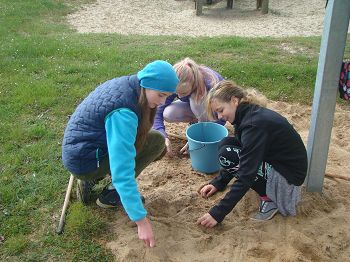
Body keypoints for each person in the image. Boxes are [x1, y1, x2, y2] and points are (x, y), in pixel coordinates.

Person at [61, 60, 179, 247]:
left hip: (86, 147)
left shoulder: (131, 85)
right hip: (83, 159)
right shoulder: (124, 112)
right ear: (147, 84)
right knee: (154, 143)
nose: (163, 102)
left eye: (167, 97)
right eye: (161, 95)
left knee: (155, 140)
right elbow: (122, 172)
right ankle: (109, 194)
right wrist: (141, 220)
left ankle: (92, 178)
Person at [197, 80, 308, 227]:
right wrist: (219, 182)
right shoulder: (246, 114)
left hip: (288, 180)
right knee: (225, 144)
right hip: (278, 163)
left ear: (234, 101)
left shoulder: (253, 125)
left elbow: (246, 174)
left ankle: (269, 200)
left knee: (228, 154)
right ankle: (265, 190)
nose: (219, 116)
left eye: (220, 110)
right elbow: (243, 150)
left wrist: (217, 213)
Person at [152, 57, 224, 156]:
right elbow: (158, 110)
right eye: (176, 93)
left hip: (214, 112)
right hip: (198, 108)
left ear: (194, 83)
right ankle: (196, 122)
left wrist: (198, 140)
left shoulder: (211, 84)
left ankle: (203, 126)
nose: (179, 96)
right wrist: (162, 135)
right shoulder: (175, 82)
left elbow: (223, 114)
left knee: (196, 101)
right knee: (169, 113)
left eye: (183, 92)